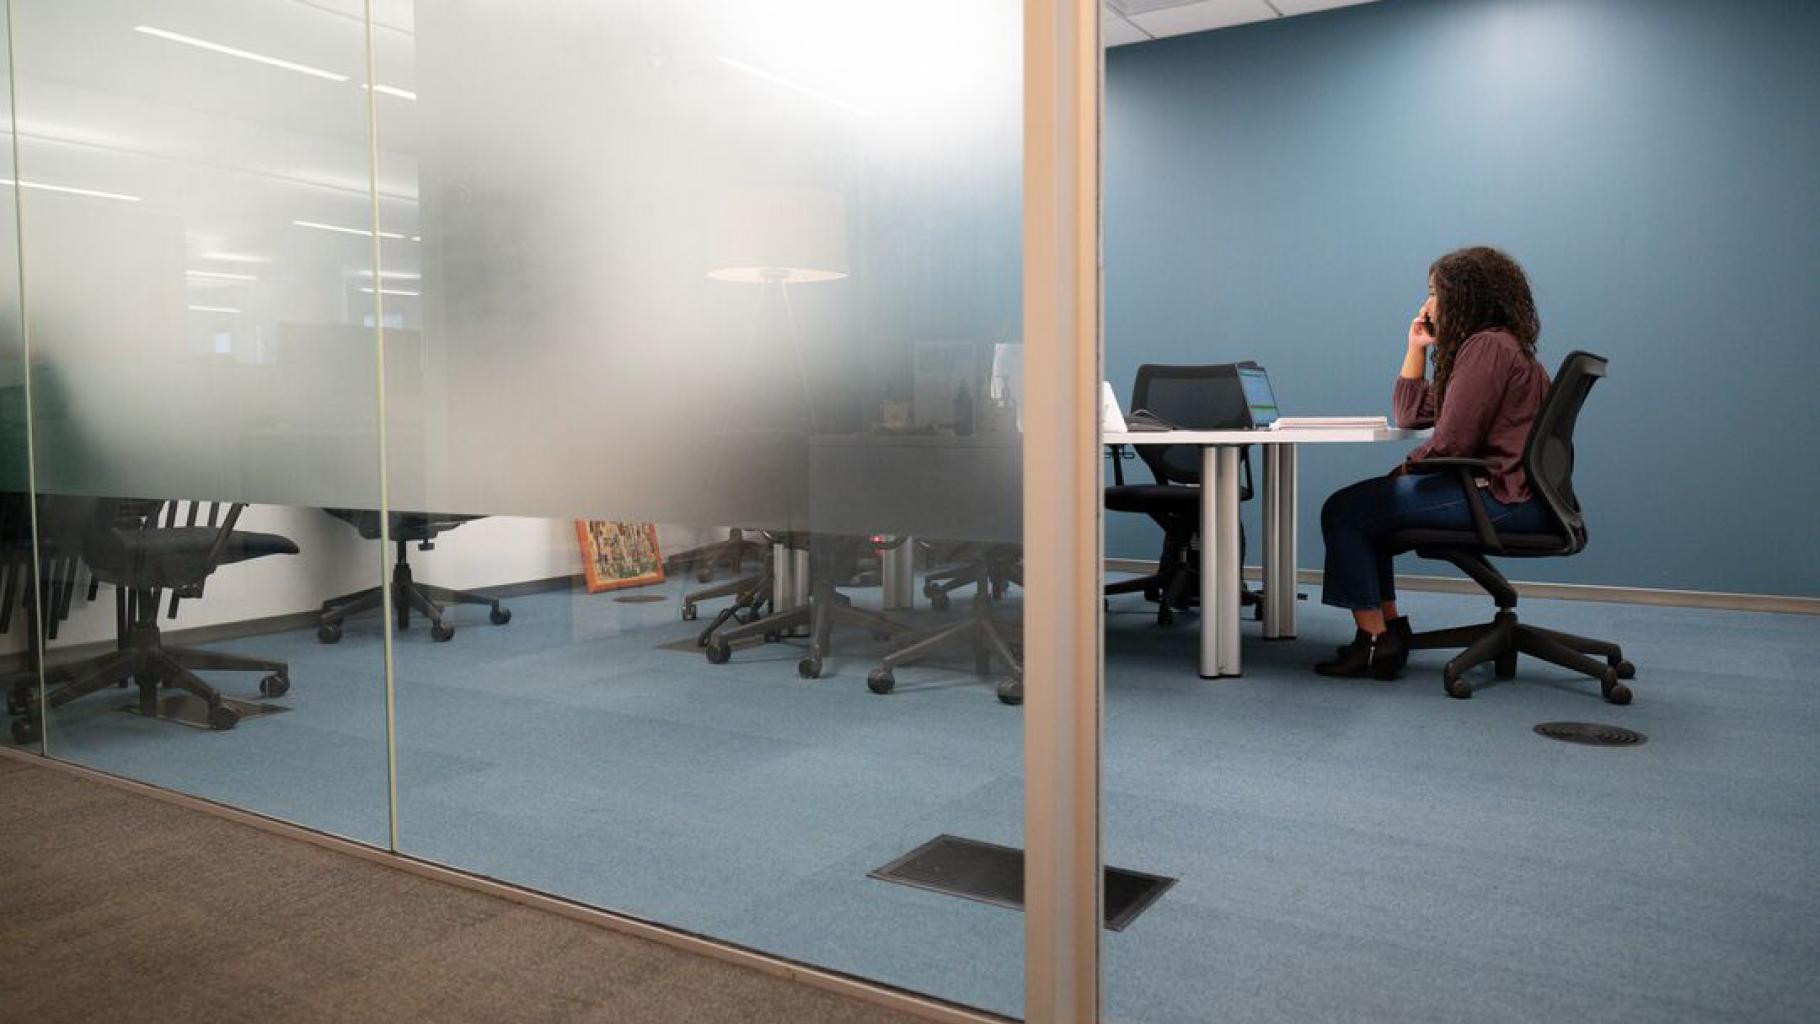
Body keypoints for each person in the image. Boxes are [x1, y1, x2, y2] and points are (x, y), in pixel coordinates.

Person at [1314, 246, 1554, 679]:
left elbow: (1451, 441)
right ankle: (1389, 633)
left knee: (1346, 510)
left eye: (1434, 292)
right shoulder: (1498, 347)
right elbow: (1411, 416)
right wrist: (1416, 347)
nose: (1428, 304)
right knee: (1370, 510)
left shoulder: (1486, 348)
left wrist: (1405, 469)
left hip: (1496, 498)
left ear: (1464, 296)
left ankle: (1374, 642)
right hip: (1510, 493)